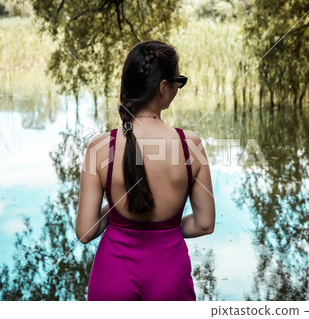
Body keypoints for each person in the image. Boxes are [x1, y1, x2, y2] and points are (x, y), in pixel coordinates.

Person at [76, 40, 215, 301]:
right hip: (170, 277)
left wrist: (115, 210)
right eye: (178, 82)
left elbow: (85, 232)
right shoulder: (190, 146)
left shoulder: (99, 148)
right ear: (163, 87)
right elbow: (205, 224)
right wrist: (165, 228)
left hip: (112, 276)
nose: (177, 88)